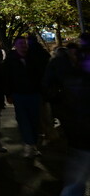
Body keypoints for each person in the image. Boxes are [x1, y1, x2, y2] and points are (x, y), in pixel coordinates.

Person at [3, 36, 46, 158]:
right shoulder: (11, 61)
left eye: (24, 43)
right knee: (23, 120)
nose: (23, 45)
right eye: (20, 43)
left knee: (34, 120)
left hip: (34, 93)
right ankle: (29, 143)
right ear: (15, 45)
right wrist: (8, 94)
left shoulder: (33, 58)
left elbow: (40, 74)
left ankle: (32, 143)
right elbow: (7, 78)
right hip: (19, 94)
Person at [58, 37, 90, 196]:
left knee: (75, 184)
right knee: (75, 184)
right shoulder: (77, 79)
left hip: (79, 139)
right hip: (82, 139)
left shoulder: (74, 77)